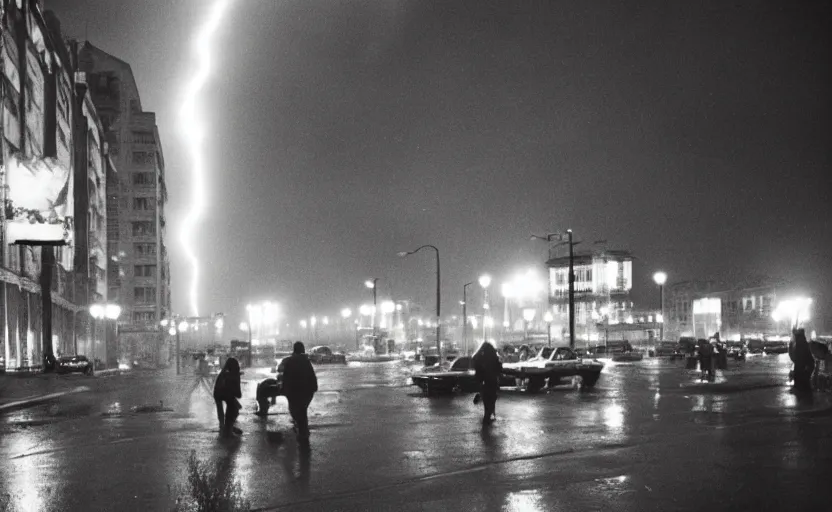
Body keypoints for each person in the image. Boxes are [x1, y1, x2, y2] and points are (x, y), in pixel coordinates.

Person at [281, 342, 318, 439]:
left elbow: (286, 378)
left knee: (297, 411)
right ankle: (303, 432)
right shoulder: (306, 361)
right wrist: (314, 387)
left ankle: (302, 432)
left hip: (294, 392)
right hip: (306, 391)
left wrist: (285, 390)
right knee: (302, 410)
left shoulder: (290, 361)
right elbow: (312, 375)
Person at [473, 341, 502, 426]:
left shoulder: (479, 358)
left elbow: (474, 359)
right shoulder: (494, 358)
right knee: (492, 399)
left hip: (483, 382)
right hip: (492, 381)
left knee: (486, 400)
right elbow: (499, 369)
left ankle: (487, 416)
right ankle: (490, 414)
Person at [213, 357, 243, 437]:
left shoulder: (222, 373)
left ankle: (223, 426)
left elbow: (219, 389)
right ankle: (228, 429)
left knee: (221, 409)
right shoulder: (234, 375)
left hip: (217, 394)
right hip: (225, 394)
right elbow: (238, 394)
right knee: (234, 408)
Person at [789, 328, 814, 393]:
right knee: (803, 382)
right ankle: (803, 392)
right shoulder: (800, 342)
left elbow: (798, 358)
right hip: (806, 366)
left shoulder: (801, 343)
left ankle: (802, 392)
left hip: (805, 366)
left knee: (802, 381)